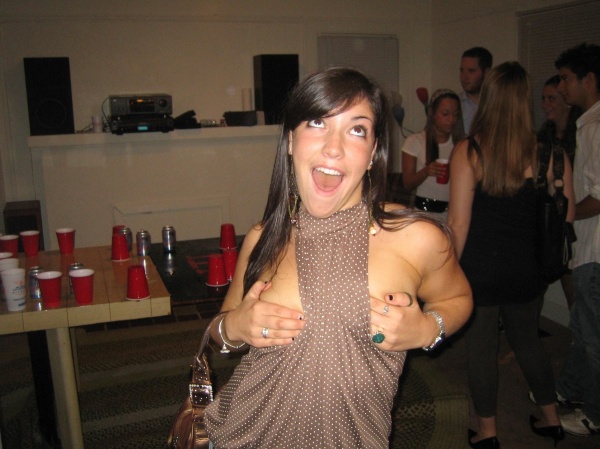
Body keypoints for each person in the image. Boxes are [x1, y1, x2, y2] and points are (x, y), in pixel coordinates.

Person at [203, 67, 473, 448]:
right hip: (238, 434)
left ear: (373, 153)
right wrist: (236, 326)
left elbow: (458, 298)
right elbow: (218, 334)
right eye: (318, 122)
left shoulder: (415, 238)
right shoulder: (265, 237)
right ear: (291, 141)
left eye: (357, 129)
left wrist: (429, 329)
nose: (334, 147)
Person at [448, 61, 574, 449]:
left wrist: (446, 274)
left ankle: (488, 432)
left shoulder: (470, 151)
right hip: (527, 269)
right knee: (529, 343)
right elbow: (567, 215)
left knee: (481, 351)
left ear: (489, 98)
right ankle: (552, 420)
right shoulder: (549, 152)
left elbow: (458, 224)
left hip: (480, 271)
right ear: (523, 101)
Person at [553, 42, 600, 437]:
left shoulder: (597, 128)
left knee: (593, 338)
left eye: (567, 79)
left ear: (590, 79)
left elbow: (599, 196)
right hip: (586, 249)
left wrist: (564, 216)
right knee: (583, 331)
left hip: (596, 251)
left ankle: (595, 414)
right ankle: (569, 391)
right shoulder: (587, 124)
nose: (562, 87)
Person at [538, 74, 581, 309]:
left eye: (552, 98)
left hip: (576, 219)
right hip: (548, 220)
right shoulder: (544, 135)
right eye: (543, 98)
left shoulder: (582, 134)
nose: (545, 104)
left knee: (574, 287)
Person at [401, 89, 464, 217]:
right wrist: (426, 171)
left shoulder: (461, 144)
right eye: (445, 114)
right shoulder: (416, 141)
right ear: (432, 113)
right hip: (424, 212)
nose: (451, 119)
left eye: (455, 114)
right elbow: (408, 184)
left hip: (452, 213)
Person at [459, 47, 493, 134]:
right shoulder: (455, 104)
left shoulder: (497, 103)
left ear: (487, 73)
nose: (464, 77)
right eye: (462, 70)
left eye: (471, 71)